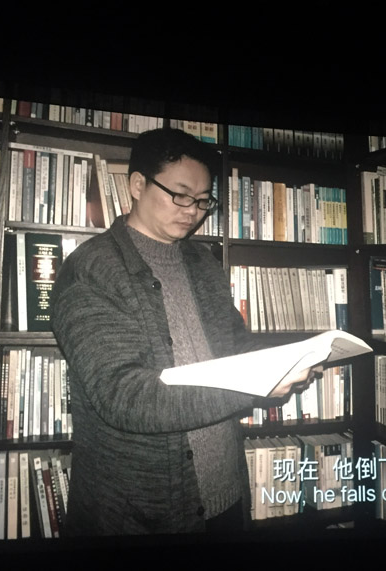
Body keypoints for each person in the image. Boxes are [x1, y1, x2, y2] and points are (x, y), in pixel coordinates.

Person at [51, 127, 314, 536]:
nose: (193, 210)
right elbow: (125, 397)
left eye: (204, 200)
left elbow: (234, 344)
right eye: (180, 194)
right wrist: (252, 387)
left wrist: (290, 358)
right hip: (138, 514)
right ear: (137, 185)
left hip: (225, 492)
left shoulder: (202, 261)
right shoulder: (91, 270)